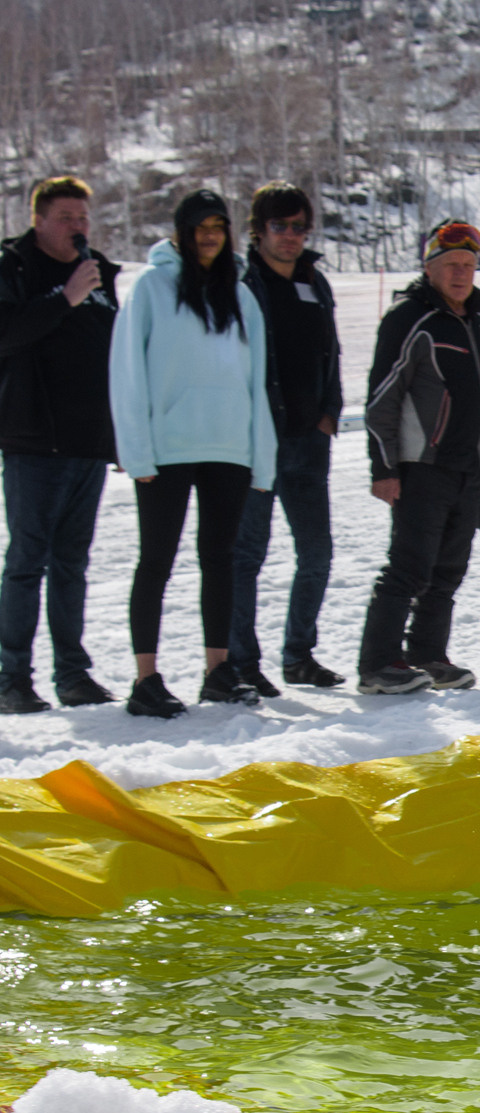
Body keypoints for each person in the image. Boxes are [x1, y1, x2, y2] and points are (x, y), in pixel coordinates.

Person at [110, 188, 277, 717]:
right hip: (167, 450)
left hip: (228, 446)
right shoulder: (151, 287)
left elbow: (257, 381)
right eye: (200, 225)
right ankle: (146, 679)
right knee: (155, 560)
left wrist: (261, 456)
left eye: (218, 226)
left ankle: (217, 671)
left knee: (219, 560)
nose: (210, 235)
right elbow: (127, 373)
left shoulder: (240, 296)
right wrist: (138, 453)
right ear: (182, 231)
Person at [357, 219, 480, 695]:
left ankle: (427, 654)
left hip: (467, 467)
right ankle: (378, 663)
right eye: (451, 264)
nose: (461, 273)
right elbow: (381, 400)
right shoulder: (410, 318)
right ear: (430, 267)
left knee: (448, 571)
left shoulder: (476, 321)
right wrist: (384, 468)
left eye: (468, 264)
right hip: (422, 465)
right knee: (410, 567)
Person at [0, 176, 120, 713]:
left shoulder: (97, 273)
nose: (78, 227)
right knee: (28, 561)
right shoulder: (15, 268)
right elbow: (7, 333)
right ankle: (11, 679)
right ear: (38, 220)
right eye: (67, 217)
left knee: (72, 562)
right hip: (33, 440)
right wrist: (63, 298)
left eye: (83, 218)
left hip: (87, 442)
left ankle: (73, 674)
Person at [229, 181, 342, 697]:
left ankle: (299, 656)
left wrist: (329, 414)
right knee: (247, 555)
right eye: (281, 226)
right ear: (258, 230)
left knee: (317, 553)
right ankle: (241, 661)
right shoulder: (240, 284)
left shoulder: (315, 282)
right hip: (256, 443)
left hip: (308, 442)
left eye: (300, 227)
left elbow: (332, 353)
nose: (292, 237)